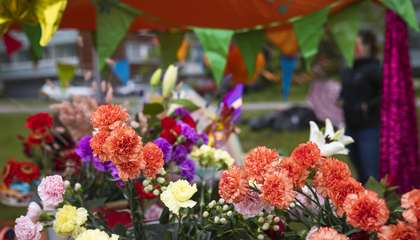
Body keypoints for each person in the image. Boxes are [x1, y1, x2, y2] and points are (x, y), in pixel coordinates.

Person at [339, 30, 382, 183]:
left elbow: (387, 94)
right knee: (359, 172)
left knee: (371, 174)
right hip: (350, 127)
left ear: (367, 46)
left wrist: (368, 106)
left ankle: (377, 203)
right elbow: (345, 91)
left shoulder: (374, 69)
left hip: (369, 128)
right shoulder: (348, 69)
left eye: (356, 45)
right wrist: (341, 99)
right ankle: (363, 203)